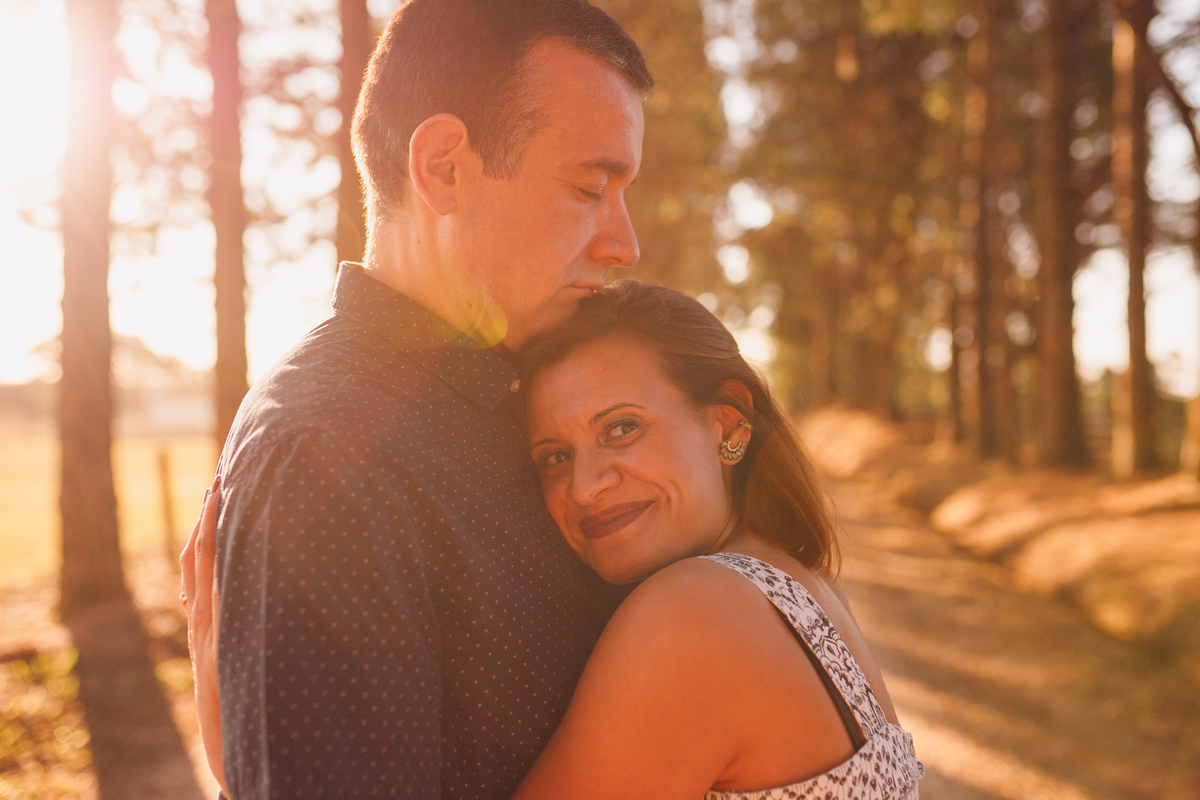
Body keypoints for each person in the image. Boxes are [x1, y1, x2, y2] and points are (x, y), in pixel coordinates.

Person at [184, 281, 925, 798]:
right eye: (555, 456)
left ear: (727, 424)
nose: (586, 485)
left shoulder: (698, 615)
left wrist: (237, 754)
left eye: (623, 428)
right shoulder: (800, 583)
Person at [184, 0, 654, 797]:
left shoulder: (522, 393)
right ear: (443, 167)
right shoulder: (326, 457)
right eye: (589, 188)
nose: (625, 243)